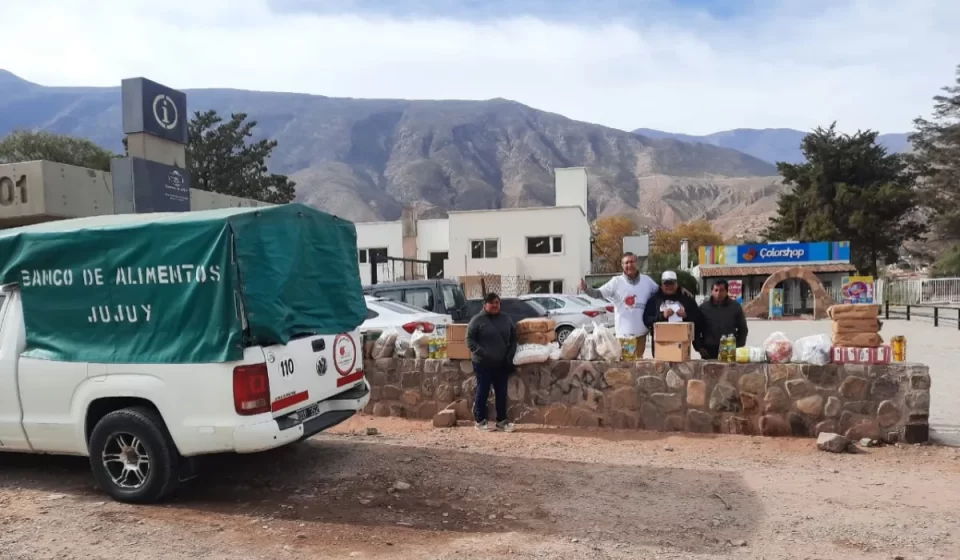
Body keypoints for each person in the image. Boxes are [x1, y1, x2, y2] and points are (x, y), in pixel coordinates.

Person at [579, 252, 659, 356]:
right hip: (625, 335)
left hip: (641, 334)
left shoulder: (647, 281)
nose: (629, 265)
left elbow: (661, 293)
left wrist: (680, 290)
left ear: (637, 263)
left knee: (638, 364)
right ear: (622, 265)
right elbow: (598, 293)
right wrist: (586, 288)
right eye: (626, 263)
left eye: (632, 262)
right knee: (627, 365)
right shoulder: (616, 282)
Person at [465, 293, 518, 432]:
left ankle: (502, 421)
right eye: (491, 303)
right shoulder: (477, 320)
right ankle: (480, 421)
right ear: (485, 305)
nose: (495, 305)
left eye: (497, 302)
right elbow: (469, 340)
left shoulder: (506, 319)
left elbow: (513, 339)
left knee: (501, 392)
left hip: (502, 363)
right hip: (483, 363)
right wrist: (483, 352)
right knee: (483, 391)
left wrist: (509, 356)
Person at [642, 271, 704, 357]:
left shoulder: (687, 299)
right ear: (661, 285)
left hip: (682, 344)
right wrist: (662, 316)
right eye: (666, 284)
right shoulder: (654, 300)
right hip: (660, 345)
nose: (669, 287)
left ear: (677, 284)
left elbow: (699, 319)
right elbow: (646, 320)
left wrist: (686, 316)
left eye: (672, 284)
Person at [698, 279, 748, 359]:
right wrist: (699, 347)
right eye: (716, 290)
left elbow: (743, 329)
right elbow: (696, 330)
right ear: (712, 291)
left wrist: (738, 346)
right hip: (708, 351)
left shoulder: (735, 307)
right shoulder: (703, 308)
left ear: (726, 291)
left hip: (729, 350)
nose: (718, 293)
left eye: (721, 290)